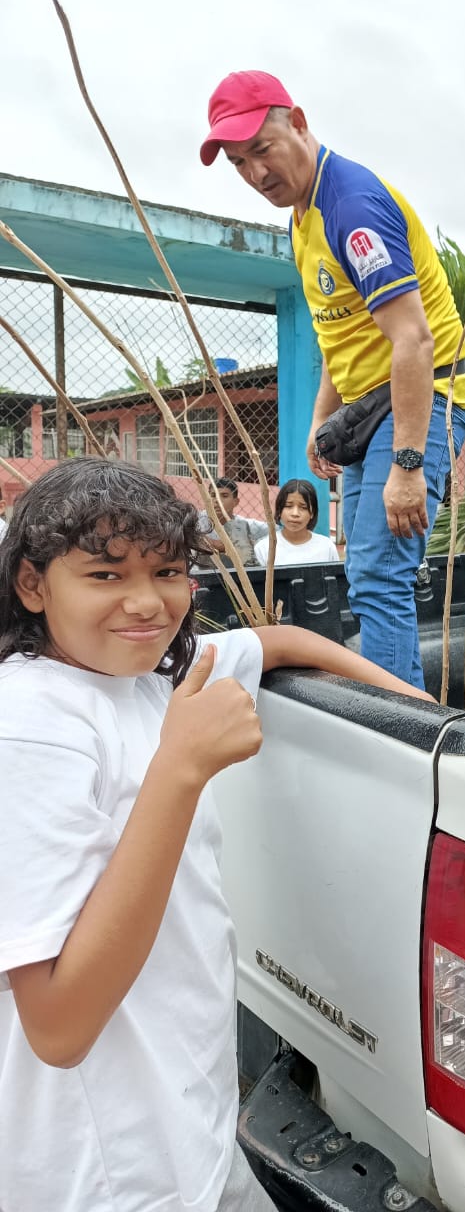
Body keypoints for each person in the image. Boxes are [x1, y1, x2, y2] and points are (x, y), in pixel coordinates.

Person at [0, 456, 431, 1212]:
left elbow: (281, 641)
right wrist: (181, 768)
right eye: (105, 575)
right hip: (109, 1167)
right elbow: (59, 1027)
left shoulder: (146, 671)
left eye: (168, 571)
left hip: (191, 1119)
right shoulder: (31, 728)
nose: (146, 602)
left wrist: (430, 720)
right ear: (33, 585)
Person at [199, 70, 465, 689]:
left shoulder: (350, 205)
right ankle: (403, 714)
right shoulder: (302, 218)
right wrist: (322, 419)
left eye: (262, 149)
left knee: (378, 574)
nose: (256, 173)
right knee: (368, 573)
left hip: (420, 400)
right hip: (369, 406)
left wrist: (407, 463)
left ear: (298, 122)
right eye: (239, 163)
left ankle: (399, 725)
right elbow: (337, 333)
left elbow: (414, 339)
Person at [253, 478, 339, 567]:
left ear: (312, 513)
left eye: (303, 507)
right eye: (288, 506)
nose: (295, 513)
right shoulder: (264, 548)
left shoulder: (326, 547)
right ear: (279, 510)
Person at [196, 476, 269, 569]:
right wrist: (229, 545)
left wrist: (255, 544)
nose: (217, 500)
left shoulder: (244, 524)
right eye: (213, 495)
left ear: (236, 502)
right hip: (201, 574)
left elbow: (277, 530)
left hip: (237, 574)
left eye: (224, 496)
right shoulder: (196, 520)